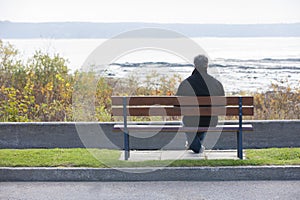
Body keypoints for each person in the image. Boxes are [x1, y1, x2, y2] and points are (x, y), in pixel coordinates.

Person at [176, 54, 225, 153]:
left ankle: (195, 145)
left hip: (190, 120)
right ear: (207, 65)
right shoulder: (216, 84)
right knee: (204, 120)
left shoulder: (186, 83)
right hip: (211, 121)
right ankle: (196, 145)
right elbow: (222, 105)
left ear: (195, 65)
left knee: (188, 122)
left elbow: (176, 105)